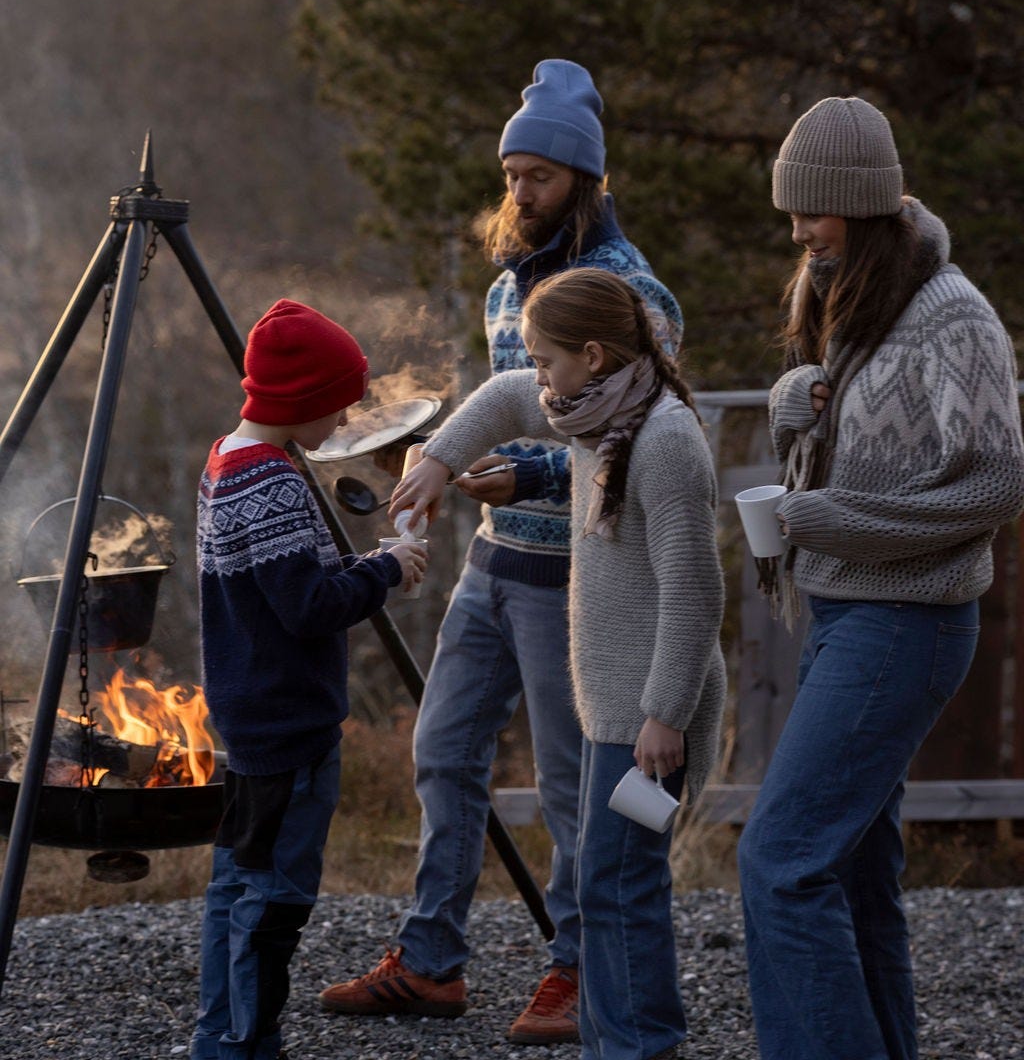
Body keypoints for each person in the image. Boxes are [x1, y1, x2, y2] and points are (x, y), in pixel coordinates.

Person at [319, 59, 683, 1044]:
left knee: (572, 786)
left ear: (585, 180)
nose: (518, 194)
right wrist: (448, 463)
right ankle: (431, 961)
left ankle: (577, 967)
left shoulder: (635, 294)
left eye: (539, 177)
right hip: (492, 561)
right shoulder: (500, 294)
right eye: (510, 174)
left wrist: (530, 476)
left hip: (582, 574)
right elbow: (513, 411)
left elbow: (644, 441)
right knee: (442, 749)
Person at [736, 97, 1024, 1060]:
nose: (799, 234)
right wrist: (796, 408)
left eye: (810, 213)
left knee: (778, 861)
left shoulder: (953, 318)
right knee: (854, 874)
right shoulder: (866, 293)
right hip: (849, 610)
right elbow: (873, 440)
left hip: (905, 624)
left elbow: (997, 481)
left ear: (859, 203)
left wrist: (832, 520)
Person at [381, 267, 726, 1060]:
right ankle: (619, 1042)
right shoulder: (602, 409)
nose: (537, 376)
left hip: (649, 717)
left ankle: (642, 1045)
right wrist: (437, 459)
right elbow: (506, 397)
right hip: (617, 705)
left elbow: (696, 593)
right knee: (605, 885)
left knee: (620, 886)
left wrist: (666, 716)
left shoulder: (664, 441)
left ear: (595, 354)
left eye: (546, 361)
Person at [190, 298, 426, 1060]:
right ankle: (247, 1046)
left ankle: (218, 1036)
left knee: (235, 883)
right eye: (340, 405)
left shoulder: (228, 457)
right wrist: (385, 569)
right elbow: (309, 607)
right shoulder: (275, 483)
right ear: (303, 402)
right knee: (274, 899)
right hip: (289, 726)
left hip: (247, 716)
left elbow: (282, 582)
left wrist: (363, 565)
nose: (346, 420)